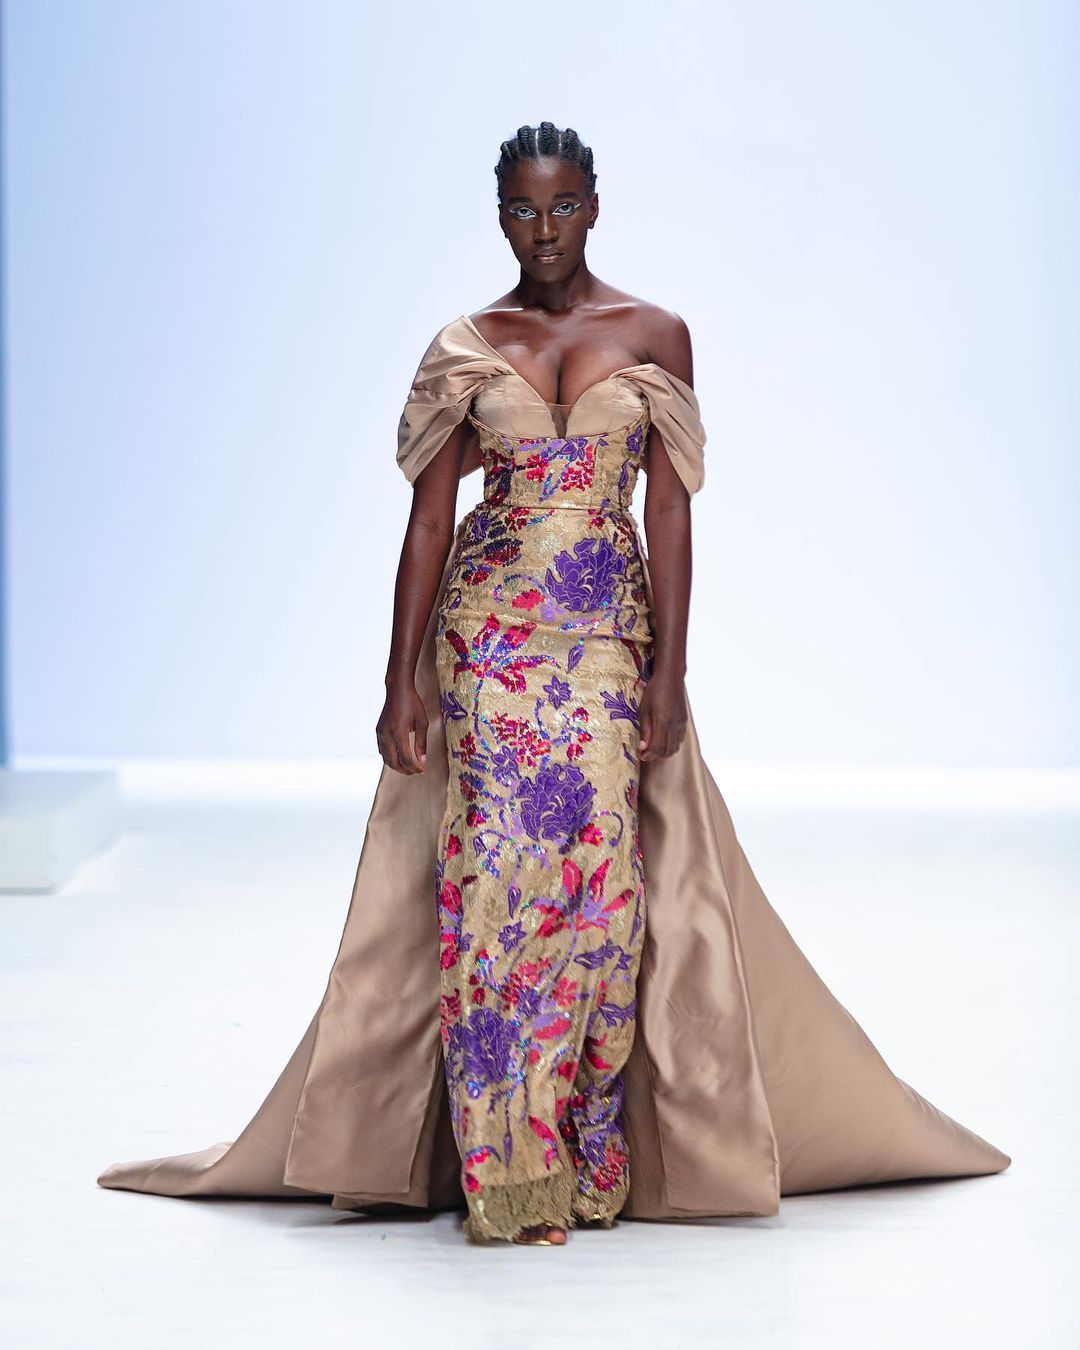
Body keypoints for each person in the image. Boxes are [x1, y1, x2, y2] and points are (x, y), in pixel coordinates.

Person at [97, 121, 1011, 1248]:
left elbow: (668, 509)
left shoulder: (657, 334)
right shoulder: (465, 346)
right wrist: (398, 682)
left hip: (607, 645)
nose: (544, 230)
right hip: (486, 642)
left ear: (594, 205)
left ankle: (588, 1153)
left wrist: (673, 669)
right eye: (524, 210)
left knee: (603, 896)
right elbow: (429, 519)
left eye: (564, 206)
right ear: (500, 215)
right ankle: (509, 1173)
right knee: (494, 888)